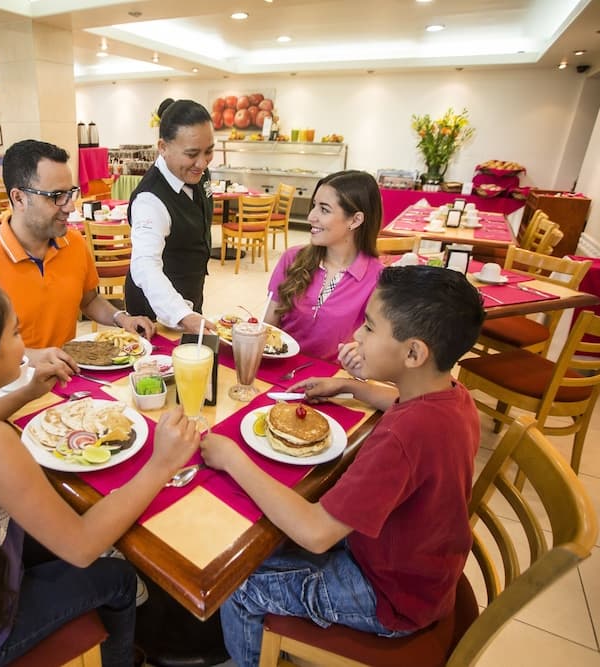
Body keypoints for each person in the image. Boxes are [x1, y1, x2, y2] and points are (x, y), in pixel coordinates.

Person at [0, 270, 201, 667]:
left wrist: (26, 392)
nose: (25, 343)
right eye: (14, 333)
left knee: (78, 524)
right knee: (118, 576)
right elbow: (81, 547)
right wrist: (161, 464)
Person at [201, 265, 486, 667]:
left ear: (413, 353)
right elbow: (399, 402)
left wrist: (232, 458)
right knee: (263, 541)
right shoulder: (453, 397)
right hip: (421, 571)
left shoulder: (404, 437)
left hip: (388, 595)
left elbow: (316, 533)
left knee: (237, 582)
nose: (357, 336)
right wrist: (351, 386)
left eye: (369, 327)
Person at [0, 139, 155, 381]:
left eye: (70, 193)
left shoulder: (74, 243)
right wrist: (31, 356)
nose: (70, 206)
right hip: (9, 388)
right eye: (56, 196)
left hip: (69, 379)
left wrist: (121, 318)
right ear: (19, 198)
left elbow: (89, 300)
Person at [266, 170, 384, 360]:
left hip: (334, 376)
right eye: (314, 206)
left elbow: (371, 352)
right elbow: (268, 328)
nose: (311, 216)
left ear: (355, 220)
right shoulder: (292, 258)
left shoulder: (378, 279)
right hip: (279, 367)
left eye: (324, 209)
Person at [125, 98, 217, 334]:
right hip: (154, 311)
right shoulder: (150, 199)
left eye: (209, 151)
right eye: (192, 154)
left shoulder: (198, 172)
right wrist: (182, 314)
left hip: (190, 294)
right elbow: (145, 265)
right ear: (163, 147)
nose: (202, 163)